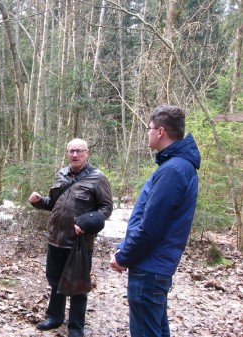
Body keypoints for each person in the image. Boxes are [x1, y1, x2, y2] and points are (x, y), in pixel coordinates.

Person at [109, 105, 201, 337]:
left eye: (148, 129)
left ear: (160, 132)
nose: (147, 133)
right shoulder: (177, 166)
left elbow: (152, 226)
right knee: (156, 330)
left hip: (149, 268)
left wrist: (123, 256)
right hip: (155, 266)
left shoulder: (173, 170)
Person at [29, 138, 113, 337]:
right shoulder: (61, 174)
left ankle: (76, 327)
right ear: (67, 153)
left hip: (79, 243)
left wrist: (88, 224)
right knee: (55, 280)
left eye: (79, 151)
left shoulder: (98, 178)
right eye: (71, 151)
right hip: (55, 237)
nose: (75, 155)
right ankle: (55, 317)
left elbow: (106, 208)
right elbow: (53, 203)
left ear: (86, 153)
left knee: (78, 284)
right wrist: (40, 201)